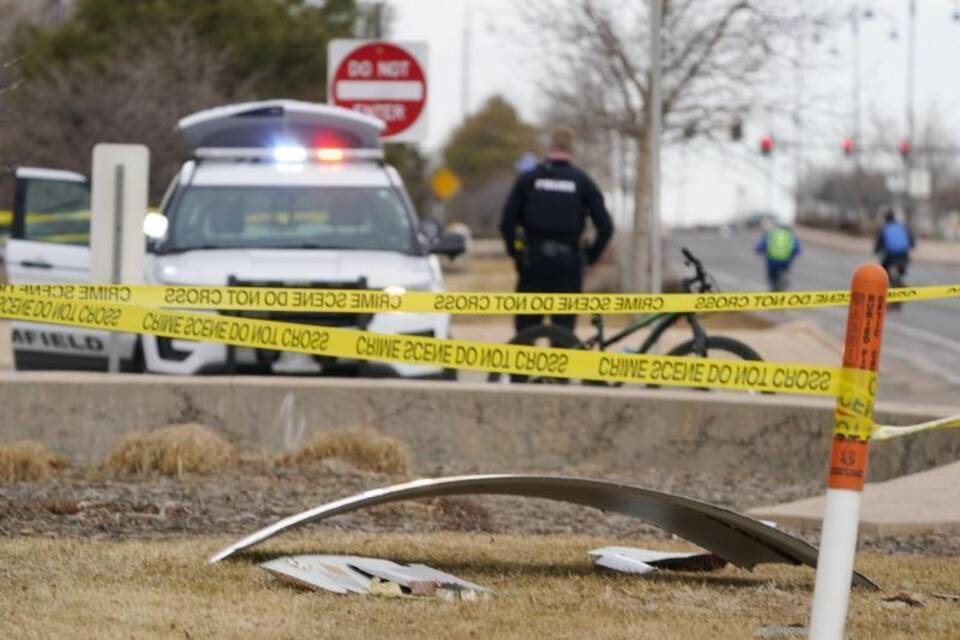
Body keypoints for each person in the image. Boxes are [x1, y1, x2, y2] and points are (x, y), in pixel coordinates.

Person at [500, 126, 614, 333]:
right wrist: (589, 257)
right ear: (572, 150)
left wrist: (516, 253)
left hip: (532, 264)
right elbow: (606, 226)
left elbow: (507, 222)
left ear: (549, 147)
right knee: (563, 335)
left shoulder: (529, 179)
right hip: (567, 267)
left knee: (526, 334)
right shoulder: (582, 181)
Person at [755, 220, 800, 291]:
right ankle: (783, 282)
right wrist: (792, 256)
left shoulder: (771, 233)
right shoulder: (790, 235)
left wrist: (759, 251)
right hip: (785, 261)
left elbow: (762, 245)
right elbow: (796, 249)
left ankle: (772, 288)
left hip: (771, 261)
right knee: (784, 272)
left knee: (771, 278)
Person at [875, 211, 914, 285]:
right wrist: (911, 246)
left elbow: (879, 242)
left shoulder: (885, 228)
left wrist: (876, 250)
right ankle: (900, 278)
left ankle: (887, 281)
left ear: (885, 219)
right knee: (903, 266)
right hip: (904, 254)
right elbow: (911, 241)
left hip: (891, 254)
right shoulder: (902, 226)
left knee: (883, 267)